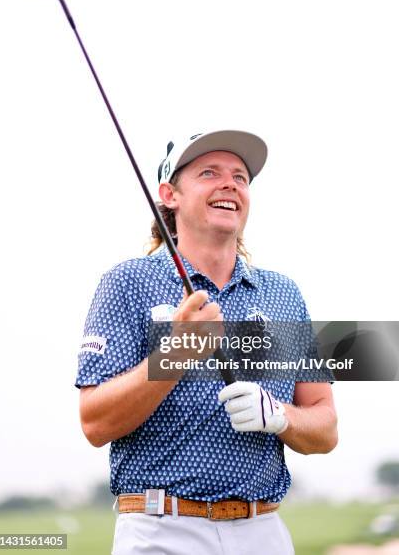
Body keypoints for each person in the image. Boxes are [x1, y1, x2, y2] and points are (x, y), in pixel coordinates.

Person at [75, 130, 338, 555]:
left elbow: (325, 427)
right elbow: (95, 423)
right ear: (170, 195)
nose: (230, 184)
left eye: (240, 177)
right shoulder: (127, 283)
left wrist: (280, 417)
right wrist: (174, 355)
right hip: (161, 530)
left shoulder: (282, 294)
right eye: (209, 173)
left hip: (263, 530)